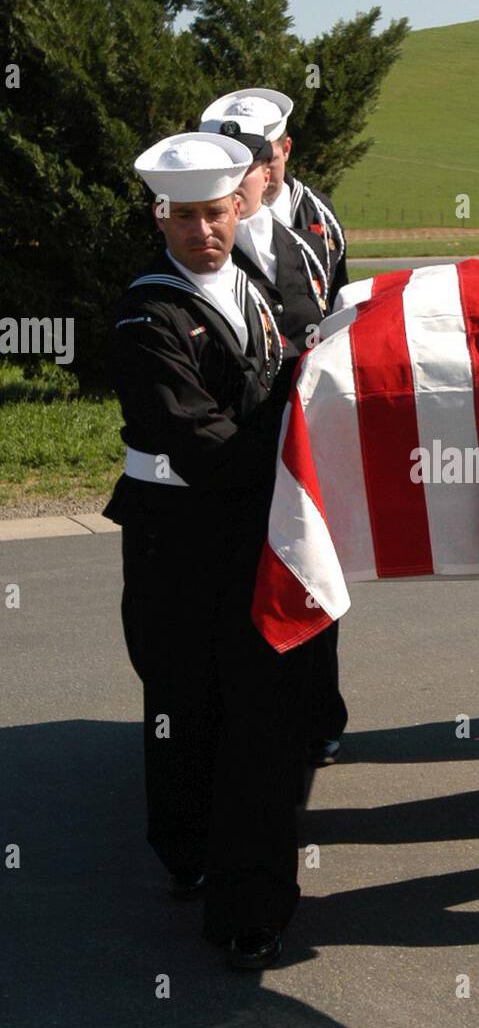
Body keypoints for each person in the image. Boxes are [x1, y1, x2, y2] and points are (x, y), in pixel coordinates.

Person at [103, 131, 317, 969]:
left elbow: (289, 372)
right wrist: (304, 469)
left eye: (215, 214)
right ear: (161, 216)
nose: (202, 233)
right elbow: (200, 439)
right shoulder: (145, 311)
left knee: (256, 712)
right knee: (184, 699)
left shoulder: (251, 287)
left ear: (240, 207)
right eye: (183, 217)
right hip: (177, 532)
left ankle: (247, 903)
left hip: (251, 521)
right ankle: (187, 848)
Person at [199, 98, 349, 773]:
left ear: (274, 159)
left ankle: (316, 716)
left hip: (302, 442)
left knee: (312, 577)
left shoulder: (310, 234)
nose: (239, 180)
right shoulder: (200, 246)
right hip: (234, 455)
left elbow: (332, 318)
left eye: (250, 163)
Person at [202, 85, 349, 303]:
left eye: (269, 160)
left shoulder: (319, 211)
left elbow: (338, 294)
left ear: (287, 149)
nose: (263, 174)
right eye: (239, 167)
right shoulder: (203, 225)